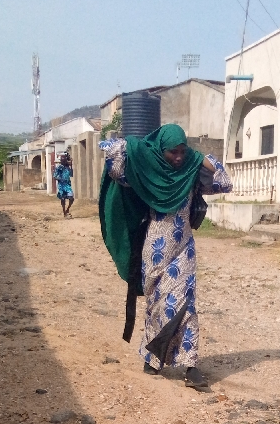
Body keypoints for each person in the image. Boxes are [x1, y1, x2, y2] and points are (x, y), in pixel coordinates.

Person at [99, 124, 232, 391]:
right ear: (161, 150)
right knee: (157, 305)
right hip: (155, 250)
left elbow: (224, 182)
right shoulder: (148, 174)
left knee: (186, 305)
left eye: (183, 151)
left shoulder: (191, 172)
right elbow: (113, 158)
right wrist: (142, 149)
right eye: (173, 152)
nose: (179, 157)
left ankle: (191, 366)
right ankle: (152, 358)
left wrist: (198, 157)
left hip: (184, 249)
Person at [53, 152, 74, 217]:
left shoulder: (68, 167)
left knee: (71, 198)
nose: (63, 161)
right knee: (63, 198)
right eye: (62, 160)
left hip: (68, 185)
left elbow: (71, 175)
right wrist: (60, 179)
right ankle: (64, 211)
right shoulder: (59, 167)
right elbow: (54, 176)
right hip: (61, 185)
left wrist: (71, 165)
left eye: (64, 160)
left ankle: (67, 209)